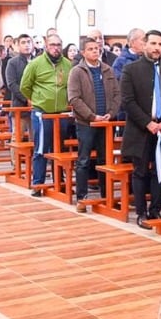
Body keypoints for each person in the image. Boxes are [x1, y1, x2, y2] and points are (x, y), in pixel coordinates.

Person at [120, 30, 161, 229]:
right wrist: (148, 123)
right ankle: (141, 212)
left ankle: (156, 208)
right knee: (140, 172)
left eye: (159, 44)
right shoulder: (131, 69)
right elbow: (128, 101)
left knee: (160, 170)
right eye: (153, 44)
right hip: (140, 129)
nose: (156, 48)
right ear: (144, 44)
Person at [68, 36, 121, 211]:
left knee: (105, 159)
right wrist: (92, 116)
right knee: (83, 160)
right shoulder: (77, 71)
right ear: (83, 52)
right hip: (86, 123)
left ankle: (107, 197)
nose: (95, 51)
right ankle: (81, 198)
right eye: (90, 49)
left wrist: (110, 114)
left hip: (106, 122)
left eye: (97, 48)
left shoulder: (107, 70)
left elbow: (116, 95)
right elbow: (74, 98)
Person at [20, 33, 75, 195]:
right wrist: (38, 99)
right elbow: (25, 86)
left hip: (62, 113)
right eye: (52, 45)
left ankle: (60, 182)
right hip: (42, 113)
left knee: (61, 149)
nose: (56, 48)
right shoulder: (35, 64)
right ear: (46, 46)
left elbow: (71, 86)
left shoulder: (68, 64)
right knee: (41, 148)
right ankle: (38, 184)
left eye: (58, 45)